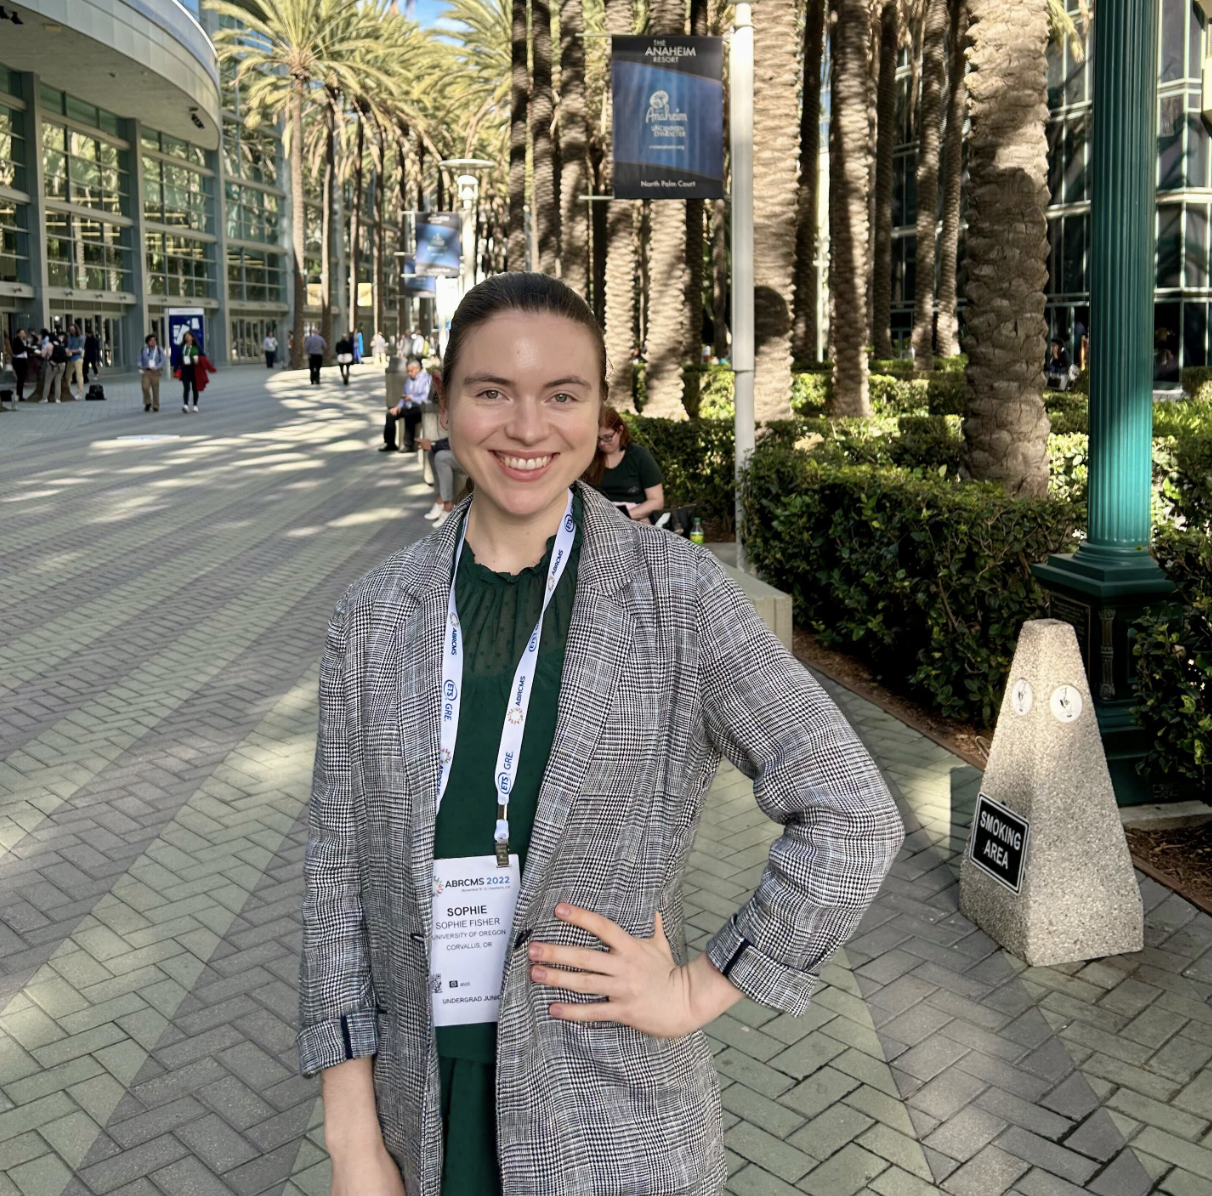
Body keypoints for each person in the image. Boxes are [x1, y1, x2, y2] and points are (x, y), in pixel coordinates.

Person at [298, 272, 903, 1196]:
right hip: (419, 1117)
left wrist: (698, 988)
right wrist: (351, 1136)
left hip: (610, 1121)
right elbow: (337, 873)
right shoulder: (374, 616)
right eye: (492, 391)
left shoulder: (676, 597)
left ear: (599, 412)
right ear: (445, 405)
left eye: (562, 395)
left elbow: (852, 814)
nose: (527, 428)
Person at [595, 405, 665, 521]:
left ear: (620, 430)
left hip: (636, 519)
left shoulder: (639, 456)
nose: (602, 443)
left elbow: (657, 501)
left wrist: (624, 516)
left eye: (607, 437)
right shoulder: (590, 458)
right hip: (600, 520)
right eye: (598, 439)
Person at [380, 357, 429, 452]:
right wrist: (398, 406)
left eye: (411, 371)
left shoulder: (425, 378)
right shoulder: (409, 380)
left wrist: (412, 398)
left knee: (410, 414)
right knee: (390, 414)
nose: (409, 373)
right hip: (407, 405)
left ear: (417, 369)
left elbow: (425, 397)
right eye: (408, 371)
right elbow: (404, 396)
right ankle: (389, 443)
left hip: (419, 406)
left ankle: (408, 444)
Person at [417, 432, 459, 526]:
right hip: (462, 448)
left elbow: (463, 438)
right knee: (432, 453)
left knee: (441, 457)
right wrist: (432, 444)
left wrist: (434, 445)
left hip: (473, 453)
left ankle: (448, 506)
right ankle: (440, 499)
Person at [138, 334, 167, 412]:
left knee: (155, 389)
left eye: (154, 340)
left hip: (155, 372)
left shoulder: (159, 349)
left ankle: (155, 405)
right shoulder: (144, 349)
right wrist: (140, 365)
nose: (153, 342)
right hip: (146, 371)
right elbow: (139, 359)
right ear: (147, 342)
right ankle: (147, 402)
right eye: (151, 340)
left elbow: (163, 360)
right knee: (145, 387)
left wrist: (157, 367)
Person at [178, 329, 202, 412]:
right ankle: (185, 405)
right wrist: (176, 369)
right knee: (186, 387)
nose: (187, 338)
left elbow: (203, 357)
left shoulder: (197, 347)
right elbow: (178, 358)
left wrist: (198, 360)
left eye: (188, 336)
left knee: (195, 388)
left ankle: (195, 405)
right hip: (185, 369)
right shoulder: (182, 347)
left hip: (194, 369)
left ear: (192, 337)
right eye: (185, 336)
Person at [41, 333, 67, 403]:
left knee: (48, 382)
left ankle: (45, 398)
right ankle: (57, 399)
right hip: (62, 365)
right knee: (58, 382)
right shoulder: (60, 344)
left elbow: (43, 355)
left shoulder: (48, 345)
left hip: (52, 365)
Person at [65, 323, 85, 400]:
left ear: (76, 329)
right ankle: (67, 392)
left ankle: (79, 393)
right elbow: (68, 346)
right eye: (70, 330)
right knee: (67, 376)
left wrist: (71, 351)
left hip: (77, 358)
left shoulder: (81, 338)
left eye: (73, 330)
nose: (72, 331)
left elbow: (80, 349)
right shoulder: (69, 337)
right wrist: (67, 350)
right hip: (70, 358)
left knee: (78, 376)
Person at [10, 329, 29, 402]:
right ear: (18, 334)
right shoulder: (16, 341)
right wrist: (25, 348)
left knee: (22, 378)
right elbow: (17, 350)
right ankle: (19, 395)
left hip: (24, 360)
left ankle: (20, 394)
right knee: (20, 378)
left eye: (24, 333)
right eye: (21, 333)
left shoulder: (24, 341)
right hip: (18, 360)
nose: (23, 334)